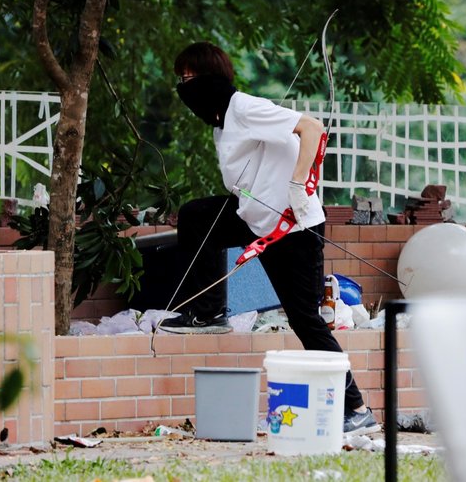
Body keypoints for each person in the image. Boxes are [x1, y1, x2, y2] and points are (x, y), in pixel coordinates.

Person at [162, 41, 378, 435]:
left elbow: (311, 128)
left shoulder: (243, 107)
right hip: (256, 219)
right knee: (196, 216)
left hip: (293, 227)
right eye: (181, 79)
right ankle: (209, 313)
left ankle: (358, 408)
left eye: (189, 78)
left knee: (305, 320)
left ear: (210, 79)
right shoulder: (222, 123)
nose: (184, 86)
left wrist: (299, 183)